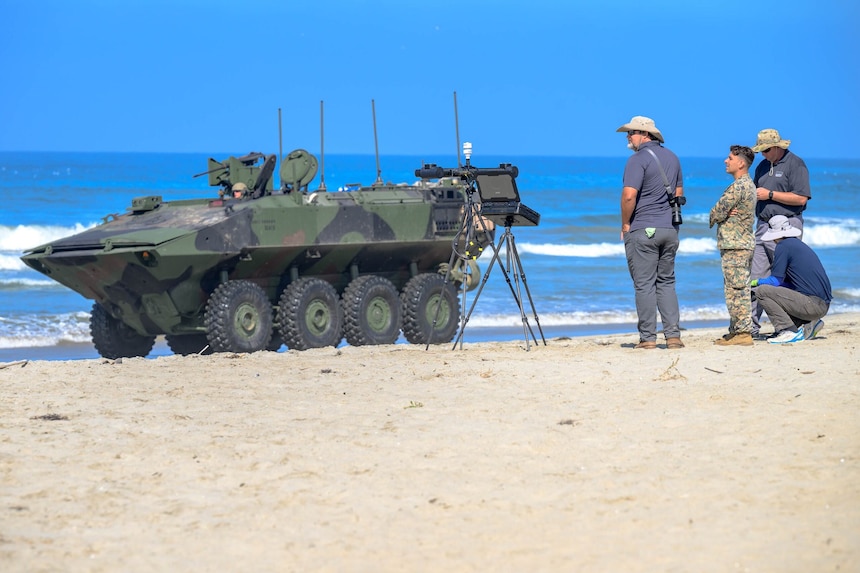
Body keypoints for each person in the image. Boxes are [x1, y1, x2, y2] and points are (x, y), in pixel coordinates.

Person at [615, 116, 684, 349]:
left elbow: (628, 196)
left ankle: (648, 338)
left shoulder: (637, 159)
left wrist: (626, 224)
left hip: (644, 228)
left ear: (645, 135)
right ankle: (673, 336)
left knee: (644, 284)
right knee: (666, 282)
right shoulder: (673, 158)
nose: (628, 137)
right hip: (669, 229)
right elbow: (678, 193)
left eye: (631, 132)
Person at [750, 128, 811, 339]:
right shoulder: (762, 166)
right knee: (756, 276)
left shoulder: (796, 164)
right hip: (763, 225)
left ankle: (794, 324)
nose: (763, 154)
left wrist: (771, 194)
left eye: (766, 150)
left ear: (777, 147)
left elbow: (801, 198)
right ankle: (751, 328)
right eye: (761, 151)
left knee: (785, 276)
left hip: (787, 225)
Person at [751, 215, 831, 344]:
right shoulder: (798, 245)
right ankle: (807, 324)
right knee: (777, 291)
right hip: (822, 305)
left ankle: (787, 331)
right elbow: (789, 285)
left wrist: (755, 282)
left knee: (762, 291)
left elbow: (775, 281)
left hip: (812, 305)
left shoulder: (783, 246)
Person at [709, 145, 756, 346]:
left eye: (730, 158)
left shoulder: (739, 186)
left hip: (736, 245)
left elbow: (716, 212)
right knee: (735, 288)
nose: (725, 161)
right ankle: (736, 330)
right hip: (739, 244)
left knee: (737, 290)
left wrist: (719, 215)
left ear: (741, 163)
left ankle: (743, 332)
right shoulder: (747, 185)